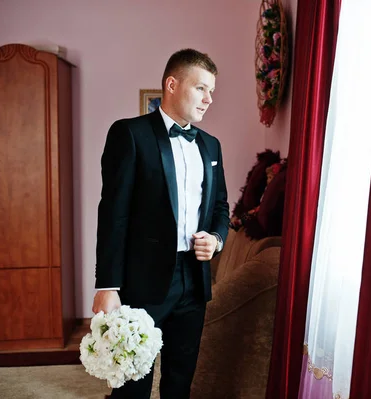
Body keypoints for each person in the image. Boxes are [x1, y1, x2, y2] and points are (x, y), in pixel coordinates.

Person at [92, 48, 230, 399]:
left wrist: (216, 238)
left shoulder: (211, 147)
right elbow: (113, 212)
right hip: (142, 283)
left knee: (179, 382)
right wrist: (107, 284)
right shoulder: (130, 134)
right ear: (172, 84)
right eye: (201, 88)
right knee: (132, 384)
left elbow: (221, 208)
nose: (209, 99)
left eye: (211, 91)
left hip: (193, 283)